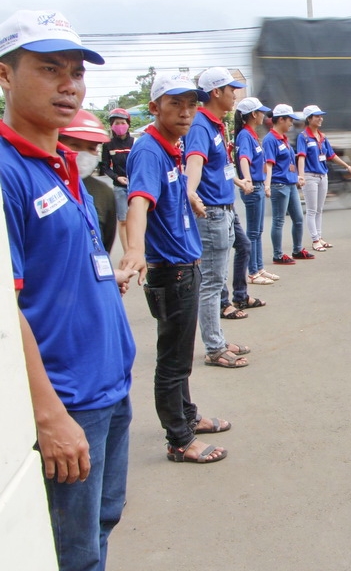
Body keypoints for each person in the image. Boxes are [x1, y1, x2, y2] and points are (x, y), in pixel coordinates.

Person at [0, 9, 136, 571]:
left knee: (101, 528)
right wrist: (49, 415)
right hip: (68, 400)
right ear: (5, 76)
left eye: (77, 72)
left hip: (109, 386)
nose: (69, 85)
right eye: (50, 68)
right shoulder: (8, 171)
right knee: (69, 555)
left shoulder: (62, 162)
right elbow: (6, 309)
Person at [120, 71, 234, 464]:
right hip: (172, 272)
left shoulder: (173, 146)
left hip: (185, 264)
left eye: (191, 103)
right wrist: (134, 249)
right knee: (172, 361)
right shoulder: (150, 150)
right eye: (175, 103)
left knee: (181, 357)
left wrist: (192, 206)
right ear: (154, 108)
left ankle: (187, 417)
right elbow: (138, 202)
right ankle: (179, 439)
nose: (186, 112)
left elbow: (169, 201)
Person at [184, 67, 253, 364]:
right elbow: (194, 162)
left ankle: (219, 339)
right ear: (215, 92)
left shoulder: (214, 125)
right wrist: (191, 193)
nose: (235, 94)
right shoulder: (200, 126)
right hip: (211, 213)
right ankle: (214, 348)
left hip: (223, 210)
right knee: (212, 283)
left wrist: (237, 183)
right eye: (230, 89)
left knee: (216, 281)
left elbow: (219, 168)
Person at [234, 96, 279, 284]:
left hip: (259, 186)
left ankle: (259, 268)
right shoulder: (245, 135)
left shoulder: (252, 134)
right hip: (254, 188)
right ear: (253, 114)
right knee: (253, 232)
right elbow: (244, 158)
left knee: (257, 231)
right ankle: (253, 272)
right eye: (260, 112)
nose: (263, 115)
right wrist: (247, 180)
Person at [59, 109, 117, 252]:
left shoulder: (104, 193)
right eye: (75, 145)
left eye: (91, 148)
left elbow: (106, 243)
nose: (83, 154)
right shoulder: (43, 187)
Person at [297, 104, 351, 250]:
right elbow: (301, 157)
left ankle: (320, 237)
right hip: (310, 176)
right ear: (309, 119)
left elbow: (332, 155)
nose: (320, 118)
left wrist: (347, 166)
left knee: (319, 209)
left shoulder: (322, 137)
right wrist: (301, 176)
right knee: (311, 209)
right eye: (317, 116)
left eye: (321, 116)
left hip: (323, 176)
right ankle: (315, 240)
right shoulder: (303, 137)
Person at [265, 104, 313, 264]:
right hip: (279, 185)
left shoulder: (284, 139)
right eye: (289, 120)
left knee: (298, 218)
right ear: (280, 120)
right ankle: (277, 255)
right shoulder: (270, 140)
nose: (291, 123)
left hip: (290, 184)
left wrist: (297, 176)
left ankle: (297, 249)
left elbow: (289, 162)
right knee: (279, 220)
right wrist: (268, 184)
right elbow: (269, 164)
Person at [100, 108, 133, 251]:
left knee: (138, 218)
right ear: (112, 126)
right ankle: (127, 251)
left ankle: (137, 249)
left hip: (136, 186)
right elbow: (105, 167)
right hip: (119, 187)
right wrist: (117, 177)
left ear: (128, 124)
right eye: (116, 123)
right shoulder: (108, 144)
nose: (120, 126)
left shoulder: (135, 142)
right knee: (123, 220)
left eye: (122, 122)